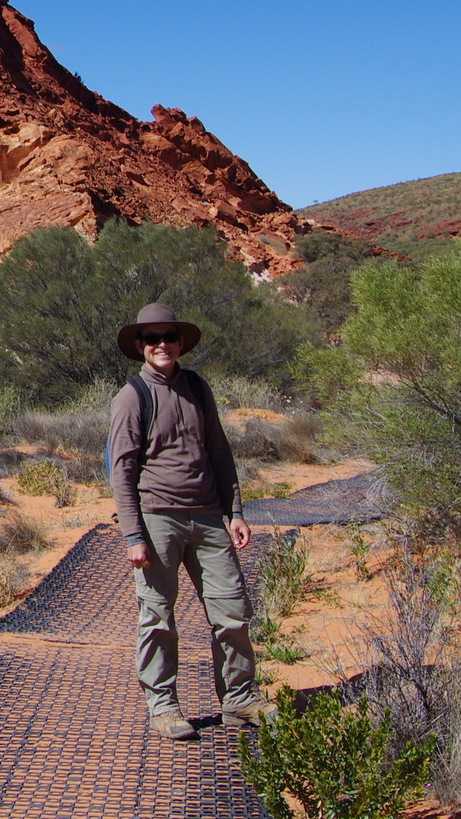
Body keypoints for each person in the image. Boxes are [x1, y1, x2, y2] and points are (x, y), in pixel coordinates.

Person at [106, 302, 273, 740]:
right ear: (140, 346)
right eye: (153, 338)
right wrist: (133, 535)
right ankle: (163, 707)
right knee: (158, 617)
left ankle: (239, 700)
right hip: (158, 519)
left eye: (169, 337)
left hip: (208, 517)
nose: (162, 344)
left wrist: (235, 512)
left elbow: (219, 453)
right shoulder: (132, 397)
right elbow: (121, 471)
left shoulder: (198, 388)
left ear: (180, 343)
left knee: (232, 611)